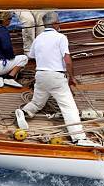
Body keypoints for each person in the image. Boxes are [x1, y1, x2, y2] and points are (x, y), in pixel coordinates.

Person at [14, 12, 99, 147]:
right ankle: (79, 138)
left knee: (37, 103)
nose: (59, 24)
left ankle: (23, 112)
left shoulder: (39, 38)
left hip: (41, 76)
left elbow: (32, 56)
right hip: (56, 77)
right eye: (58, 22)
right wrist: (72, 77)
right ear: (54, 24)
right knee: (69, 108)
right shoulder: (61, 37)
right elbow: (67, 60)